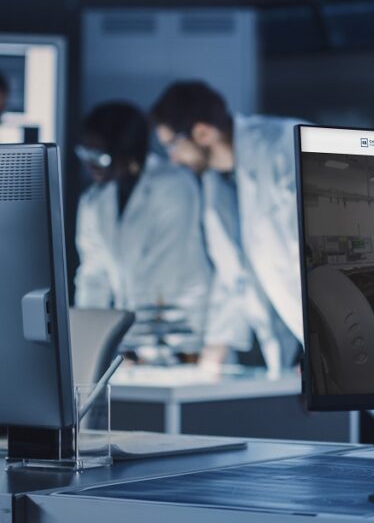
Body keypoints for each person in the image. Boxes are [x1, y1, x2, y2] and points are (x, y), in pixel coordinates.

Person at [150, 81, 304, 374]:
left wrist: (317, 356)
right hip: (289, 339)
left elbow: (323, 256)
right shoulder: (216, 180)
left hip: (333, 331)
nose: (172, 158)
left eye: (172, 145)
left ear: (202, 133)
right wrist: (215, 349)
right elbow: (232, 274)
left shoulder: (284, 145)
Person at [74, 101, 211, 348]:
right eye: (86, 153)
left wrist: (125, 342)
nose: (90, 165)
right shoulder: (94, 200)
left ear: (126, 152)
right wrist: (85, 340)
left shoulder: (173, 186)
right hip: (132, 334)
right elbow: (93, 274)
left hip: (180, 331)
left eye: (100, 156)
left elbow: (161, 272)